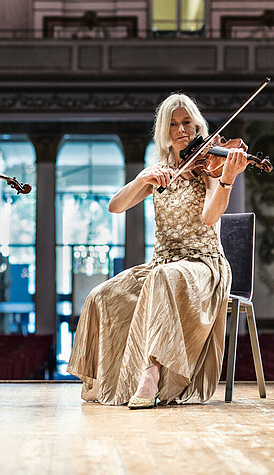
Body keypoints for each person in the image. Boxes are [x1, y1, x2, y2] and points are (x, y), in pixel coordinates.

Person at [67, 93, 251, 408]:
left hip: (203, 267)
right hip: (161, 265)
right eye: (174, 124)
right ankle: (109, 381)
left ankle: (151, 376)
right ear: (164, 131)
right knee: (101, 295)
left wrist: (227, 179)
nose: (182, 130)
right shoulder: (158, 173)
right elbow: (116, 206)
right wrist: (142, 178)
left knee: (164, 278)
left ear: (197, 126)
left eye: (187, 123)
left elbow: (209, 217)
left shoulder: (209, 169)